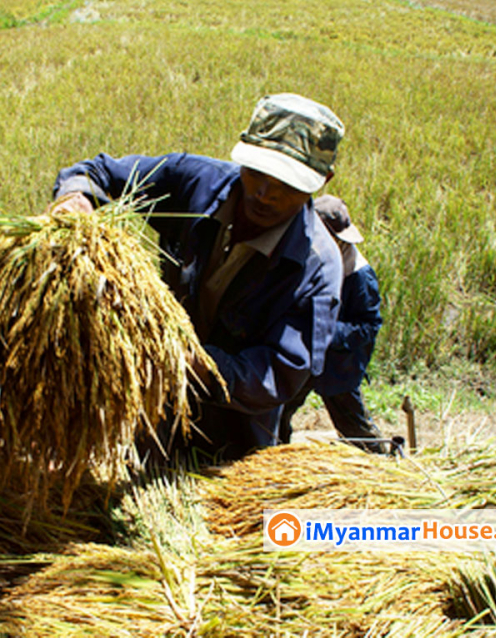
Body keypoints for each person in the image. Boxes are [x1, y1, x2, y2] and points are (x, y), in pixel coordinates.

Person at [52, 93, 345, 461]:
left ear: (323, 181)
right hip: (151, 405)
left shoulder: (316, 266)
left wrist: (196, 363)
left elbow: (281, 372)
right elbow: (99, 173)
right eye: (256, 172)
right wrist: (76, 197)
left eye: (287, 184)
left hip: (231, 433)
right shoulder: (197, 182)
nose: (264, 194)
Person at [278, 194, 386, 453]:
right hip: (307, 356)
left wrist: (324, 332)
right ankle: (273, 456)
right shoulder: (310, 258)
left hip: (339, 364)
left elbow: (367, 328)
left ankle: (383, 464)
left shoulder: (359, 276)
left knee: (353, 427)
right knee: (279, 409)